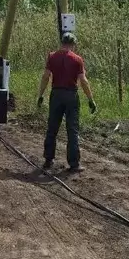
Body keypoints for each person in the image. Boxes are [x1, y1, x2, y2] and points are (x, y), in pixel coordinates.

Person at [37, 32, 97, 172]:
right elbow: (83, 81)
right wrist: (91, 100)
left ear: (62, 42)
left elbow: (46, 76)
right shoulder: (77, 59)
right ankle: (74, 163)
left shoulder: (52, 56)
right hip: (71, 96)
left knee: (52, 127)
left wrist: (40, 95)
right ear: (73, 44)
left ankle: (48, 159)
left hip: (56, 95)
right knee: (72, 130)